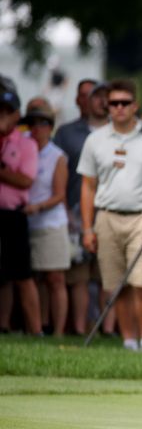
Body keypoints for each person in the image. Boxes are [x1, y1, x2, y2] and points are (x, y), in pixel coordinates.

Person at [77, 79, 142, 351]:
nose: (120, 108)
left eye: (125, 103)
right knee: (117, 286)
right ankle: (128, 342)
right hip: (107, 216)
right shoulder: (96, 140)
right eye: (114, 103)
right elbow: (88, 186)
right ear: (107, 106)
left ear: (135, 105)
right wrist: (88, 228)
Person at [53, 81, 110, 335]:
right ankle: (79, 329)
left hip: (110, 211)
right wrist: (63, 209)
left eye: (103, 96)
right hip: (76, 211)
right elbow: (58, 172)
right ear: (82, 101)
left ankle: (107, 331)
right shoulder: (66, 133)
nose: (99, 102)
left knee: (107, 275)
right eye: (93, 96)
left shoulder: (120, 132)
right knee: (79, 276)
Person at [23, 102, 70, 337]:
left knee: (55, 278)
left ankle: (58, 330)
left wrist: (38, 206)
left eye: (42, 123)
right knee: (34, 278)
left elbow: (60, 194)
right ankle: (38, 327)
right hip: (26, 221)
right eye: (31, 123)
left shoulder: (56, 156)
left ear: (50, 127)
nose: (36, 128)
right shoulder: (23, 148)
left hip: (50, 222)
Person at [0, 82, 41, 335]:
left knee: (23, 276)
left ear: (17, 114)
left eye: (8, 111)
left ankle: (36, 331)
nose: (3, 116)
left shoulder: (27, 144)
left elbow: (25, 179)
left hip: (13, 216)